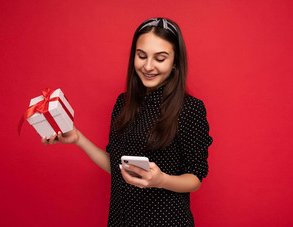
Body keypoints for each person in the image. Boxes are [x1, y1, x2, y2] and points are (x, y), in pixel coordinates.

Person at [42, 17, 213, 227]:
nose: (148, 66)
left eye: (160, 58)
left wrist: (161, 180)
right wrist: (78, 138)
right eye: (142, 56)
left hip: (166, 221)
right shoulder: (123, 103)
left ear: (175, 62)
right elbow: (117, 166)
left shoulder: (190, 108)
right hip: (120, 219)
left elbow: (195, 179)